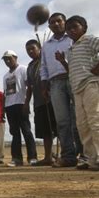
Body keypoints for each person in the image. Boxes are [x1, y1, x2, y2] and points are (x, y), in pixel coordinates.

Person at [40, 12, 84, 168]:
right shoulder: (46, 45)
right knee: (62, 121)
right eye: (52, 23)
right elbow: (44, 66)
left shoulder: (73, 39)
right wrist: (44, 85)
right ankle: (68, 157)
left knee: (79, 118)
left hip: (74, 79)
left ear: (65, 22)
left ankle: (85, 155)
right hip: (55, 83)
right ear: (49, 26)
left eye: (59, 21)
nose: (56, 24)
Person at [59, 15, 99, 171]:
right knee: (82, 125)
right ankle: (92, 159)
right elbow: (72, 71)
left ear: (84, 28)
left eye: (75, 27)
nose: (71, 30)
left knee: (96, 120)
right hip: (77, 89)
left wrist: (98, 67)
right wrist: (63, 62)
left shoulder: (89, 40)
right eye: (68, 29)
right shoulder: (70, 49)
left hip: (91, 84)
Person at [24, 40, 57, 166]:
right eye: (28, 50)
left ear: (40, 48)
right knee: (45, 131)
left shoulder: (47, 60)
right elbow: (30, 87)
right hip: (39, 102)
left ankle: (65, 155)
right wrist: (27, 102)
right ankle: (48, 157)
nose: (30, 52)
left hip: (51, 99)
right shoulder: (30, 66)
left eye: (33, 48)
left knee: (57, 127)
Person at [2, 50, 37, 167]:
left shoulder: (23, 69)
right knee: (15, 133)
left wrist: (27, 103)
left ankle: (32, 157)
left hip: (21, 104)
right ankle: (17, 158)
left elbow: (29, 86)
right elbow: (5, 93)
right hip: (9, 106)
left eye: (9, 58)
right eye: (5, 59)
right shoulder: (5, 76)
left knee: (26, 131)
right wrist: (4, 108)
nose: (7, 61)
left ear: (15, 58)